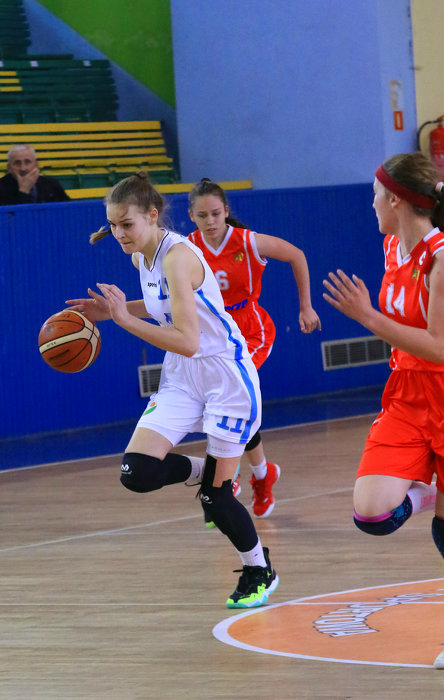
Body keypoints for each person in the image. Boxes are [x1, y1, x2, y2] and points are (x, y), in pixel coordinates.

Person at [322, 152, 444, 668]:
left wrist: (367, 317)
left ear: (396, 200)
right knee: (373, 514)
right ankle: (433, 493)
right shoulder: (391, 247)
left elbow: (440, 346)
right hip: (408, 393)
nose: (372, 204)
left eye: (376, 195)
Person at [65, 172, 278, 609]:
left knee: (216, 500)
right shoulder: (140, 258)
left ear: (152, 215)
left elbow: (189, 339)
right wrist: (110, 312)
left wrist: (125, 320)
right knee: (137, 473)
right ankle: (209, 470)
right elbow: (162, 306)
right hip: (182, 375)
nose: (119, 234)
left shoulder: (177, 258)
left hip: (224, 377)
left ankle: (259, 569)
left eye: (127, 224)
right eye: (113, 225)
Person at [187, 178, 321, 523]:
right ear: (192, 216)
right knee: (222, 405)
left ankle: (227, 478)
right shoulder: (186, 248)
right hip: (212, 334)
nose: (210, 221)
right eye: (202, 215)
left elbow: (297, 255)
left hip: (249, 330)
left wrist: (306, 306)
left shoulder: (247, 241)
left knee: (230, 398)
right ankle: (261, 474)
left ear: (226, 211)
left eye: (215, 213)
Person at [0, 144, 70, 205]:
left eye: (27, 162)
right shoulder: (1, 188)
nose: (23, 168)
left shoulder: (51, 184)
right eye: (17, 163)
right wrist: (24, 190)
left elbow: (69, 209)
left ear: (36, 164)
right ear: (9, 168)